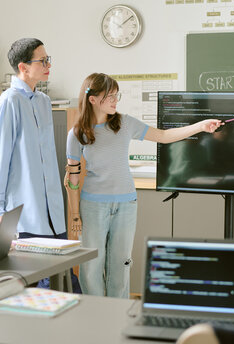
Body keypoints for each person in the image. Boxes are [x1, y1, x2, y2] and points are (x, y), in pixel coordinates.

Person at [65, 73, 223, 298]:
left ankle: (116, 317)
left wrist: (200, 126)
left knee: (121, 266)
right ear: (92, 99)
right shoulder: (77, 133)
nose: (115, 100)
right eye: (110, 96)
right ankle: (95, 316)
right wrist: (74, 214)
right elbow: (71, 177)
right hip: (93, 207)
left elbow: (164, 135)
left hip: (126, 205)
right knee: (91, 268)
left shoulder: (125, 123)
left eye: (116, 95)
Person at [0, 38, 81, 292]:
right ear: (23, 67)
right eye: (42, 60)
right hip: (26, 216)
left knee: (65, 285)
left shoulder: (43, 102)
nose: (48, 65)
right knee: (40, 290)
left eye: (49, 59)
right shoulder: (9, 101)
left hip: (53, 215)